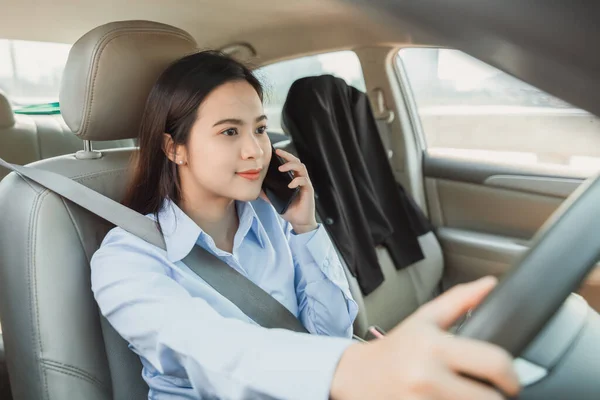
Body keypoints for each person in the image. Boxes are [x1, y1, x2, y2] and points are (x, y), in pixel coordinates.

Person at [91, 50, 520, 400]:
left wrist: (306, 228)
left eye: (260, 129)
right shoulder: (127, 257)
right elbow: (208, 348)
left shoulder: (271, 221)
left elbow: (330, 331)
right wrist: (355, 369)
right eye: (228, 132)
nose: (255, 152)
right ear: (174, 148)